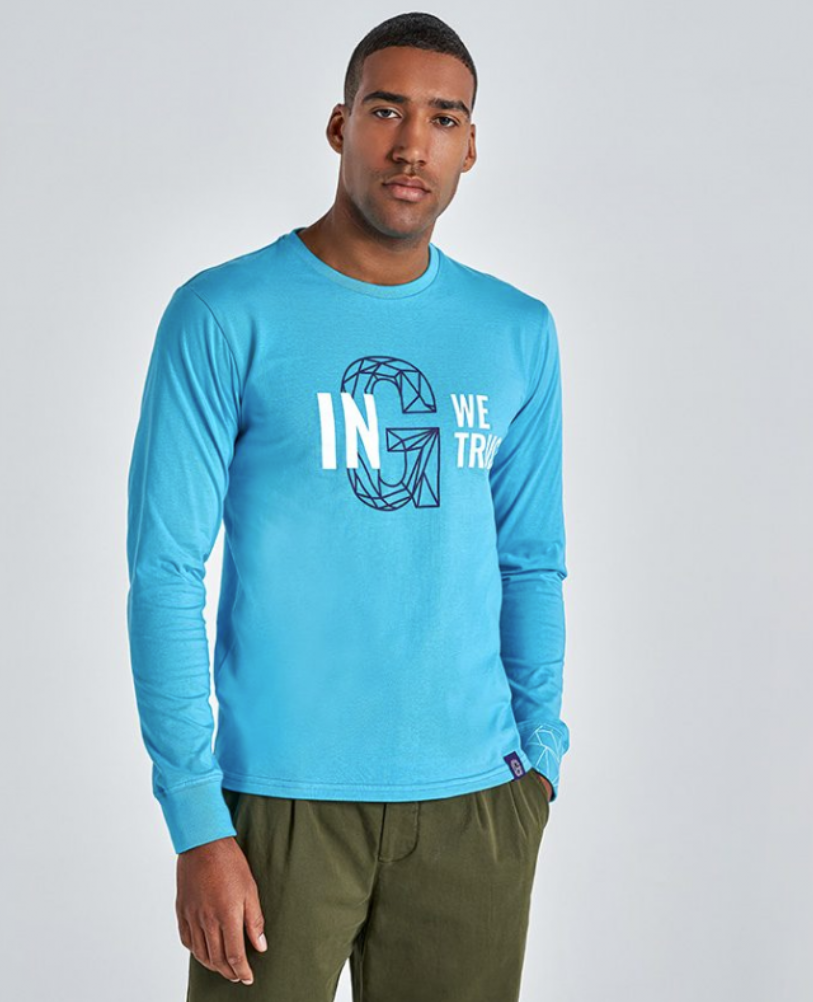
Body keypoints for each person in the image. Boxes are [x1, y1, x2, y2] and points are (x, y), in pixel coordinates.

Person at [126, 11, 569, 1001]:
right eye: (385, 110)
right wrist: (196, 819)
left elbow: (531, 559)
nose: (412, 144)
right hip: (276, 806)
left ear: (470, 146)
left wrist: (537, 758)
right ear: (339, 125)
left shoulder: (514, 331)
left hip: (475, 806)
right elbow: (164, 571)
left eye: (443, 119)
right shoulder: (223, 313)